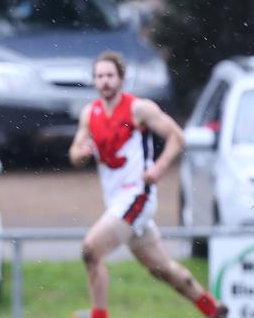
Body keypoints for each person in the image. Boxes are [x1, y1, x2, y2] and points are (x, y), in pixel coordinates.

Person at [68, 51, 227, 318]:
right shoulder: (89, 113)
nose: (105, 81)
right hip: (117, 200)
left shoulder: (138, 109)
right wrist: (81, 153)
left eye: (110, 75)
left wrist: (159, 167)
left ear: (121, 78)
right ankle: (212, 308)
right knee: (161, 268)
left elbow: (177, 136)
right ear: (94, 81)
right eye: (99, 76)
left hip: (137, 196)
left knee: (91, 250)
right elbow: (74, 153)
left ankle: (99, 315)